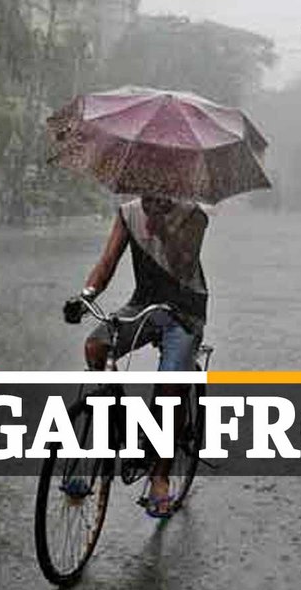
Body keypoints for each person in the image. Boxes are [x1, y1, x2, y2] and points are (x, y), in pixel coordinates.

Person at [64, 195, 210, 518]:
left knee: (170, 387)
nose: (150, 195)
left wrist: (161, 229)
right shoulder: (128, 213)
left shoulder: (193, 216)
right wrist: (85, 296)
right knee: (96, 347)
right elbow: (107, 263)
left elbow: (184, 264)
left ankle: (160, 476)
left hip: (184, 310)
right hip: (143, 304)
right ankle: (120, 427)